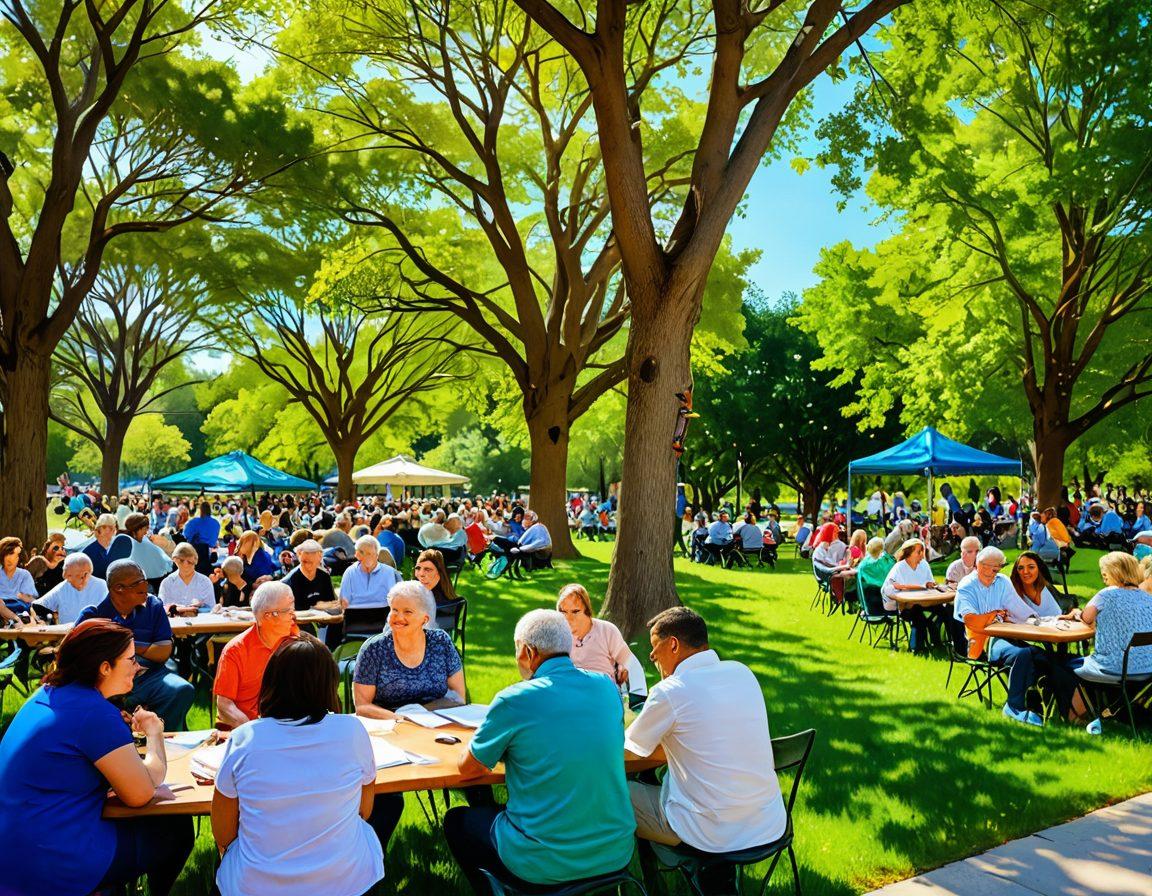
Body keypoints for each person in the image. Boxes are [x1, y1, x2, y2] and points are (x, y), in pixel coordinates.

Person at [0, 619, 193, 896]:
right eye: (130, 660)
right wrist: (154, 732)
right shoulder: (94, 712)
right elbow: (141, 793)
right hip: (53, 861)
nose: (138, 667)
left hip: (13, 851)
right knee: (175, 829)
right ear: (104, 667)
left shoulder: (45, 694)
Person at [446, 609, 635, 893]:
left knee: (457, 821)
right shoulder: (607, 688)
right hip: (616, 850)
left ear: (528, 652)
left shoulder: (514, 700)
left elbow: (469, 768)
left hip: (542, 861)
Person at [624, 607, 786, 893]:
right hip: (766, 822)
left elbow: (628, 753)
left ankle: (642, 885)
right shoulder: (742, 672)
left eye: (653, 649)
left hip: (708, 833)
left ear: (672, 644)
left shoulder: (670, 691)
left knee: (612, 789)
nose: (652, 659)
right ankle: (715, 879)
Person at [212, 633, 385, 896]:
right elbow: (364, 810)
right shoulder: (352, 730)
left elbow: (223, 834)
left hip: (257, 884)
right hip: (346, 880)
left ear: (270, 681)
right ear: (329, 684)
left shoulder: (245, 738)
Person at [77, 560, 196, 731]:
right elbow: (77, 658)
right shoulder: (94, 615)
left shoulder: (153, 606)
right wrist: (146, 648)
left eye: (145, 581)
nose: (146, 586)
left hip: (152, 676)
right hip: (109, 682)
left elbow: (163, 652)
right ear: (119, 589)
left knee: (181, 690)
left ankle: (162, 741)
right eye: (139, 583)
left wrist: (126, 644)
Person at [953, 546, 1047, 726]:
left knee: (1040, 653)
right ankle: (1014, 707)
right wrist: (995, 615)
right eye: (989, 568)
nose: (993, 572)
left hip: (1005, 635)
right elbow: (972, 621)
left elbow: (1017, 608)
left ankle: (1043, 699)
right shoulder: (967, 585)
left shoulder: (1002, 581)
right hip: (980, 642)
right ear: (979, 565)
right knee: (1024, 654)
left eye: (997, 569)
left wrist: (1037, 621)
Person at [1062, 552, 1152, 725]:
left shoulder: (1106, 594)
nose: (1104, 580)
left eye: (1105, 575)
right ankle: (1105, 711)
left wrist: (1076, 613)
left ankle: (1074, 718)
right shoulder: (1147, 598)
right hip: (1146, 669)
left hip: (1114, 668)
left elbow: (1087, 618)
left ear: (1115, 573)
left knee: (1066, 665)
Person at [352, 581, 465, 718]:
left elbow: (458, 696)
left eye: (408, 611)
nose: (399, 617)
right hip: (389, 727)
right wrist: (403, 719)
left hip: (436, 722)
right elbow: (363, 706)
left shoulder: (441, 642)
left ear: (424, 619)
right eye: (394, 610)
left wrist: (421, 715)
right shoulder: (374, 649)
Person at [214, 582, 301, 729]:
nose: (294, 616)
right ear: (269, 616)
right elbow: (224, 704)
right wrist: (253, 731)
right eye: (289, 610)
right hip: (246, 730)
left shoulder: (295, 639)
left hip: (287, 727)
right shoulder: (236, 651)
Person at [556, 583, 633, 686]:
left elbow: (630, 663)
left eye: (575, 611)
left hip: (603, 693)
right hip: (571, 693)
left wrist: (624, 669)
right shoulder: (557, 636)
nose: (568, 619)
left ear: (587, 611)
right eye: (563, 612)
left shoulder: (606, 630)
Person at [881, 539, 951, 653]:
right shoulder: (899, 567)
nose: (922, 555)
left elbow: (929, 582)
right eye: (919, 552)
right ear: (909, 553)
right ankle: (918, 648)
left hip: (925, 602)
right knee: (918, 614)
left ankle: (946, 642)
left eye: (922, 551)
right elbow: (891, 589)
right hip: (906, 606)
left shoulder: (924, 564)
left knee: (944, 611)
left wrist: (929, 584)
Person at [31, 552, 108, 624]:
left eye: (70, 576)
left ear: (85, 576)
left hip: (94, 635)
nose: (67, 580)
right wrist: (40, 620)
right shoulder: (64, 586)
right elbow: (37, 606)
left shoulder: (102, 586)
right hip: (67, 636)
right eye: (65, 576)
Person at [281, 539, 339, 612]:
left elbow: (331, 602)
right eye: (305, 562)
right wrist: (316, 607)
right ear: (299, 556)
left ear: (320, 558)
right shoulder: (290, 580)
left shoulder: (324, 576)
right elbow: (295, 611)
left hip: (324, 618)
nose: (308, 566)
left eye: (312, 562)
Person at [123, 512, 174, 593]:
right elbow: (165, 563)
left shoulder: (141, 540)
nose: (146, 531)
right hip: (147, 583)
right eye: (145, 528)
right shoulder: (138, 544)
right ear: (137, 529)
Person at [158, 542, 215, 610]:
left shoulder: (205, 582)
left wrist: (202, 606)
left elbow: (211, 608)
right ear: (174, 560)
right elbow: (162, 609)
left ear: (195, 560)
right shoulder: (167, 582)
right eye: (181, 561)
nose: (185, 565)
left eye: (189, 562)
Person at [1007, 552, 1063, 619]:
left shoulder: (1047, 587)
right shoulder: (1011, 593)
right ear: (1017, 571)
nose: (1025, 572)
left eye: (1031, 567)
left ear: (1039, 569)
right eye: (1021, 568)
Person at [82, 514, 134, 580]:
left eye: (114, 527)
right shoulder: (89, 551)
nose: (114, 529)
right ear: (100, 529)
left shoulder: (119, 544)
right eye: (110, 527)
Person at [0, 536, 38, 623]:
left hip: (22, 608)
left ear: (19, 557)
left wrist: (23, 597)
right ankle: (17, 621)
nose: (10, 559)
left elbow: (31, 600)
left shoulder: (24, 575)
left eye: (15, 554)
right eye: (8, 554)